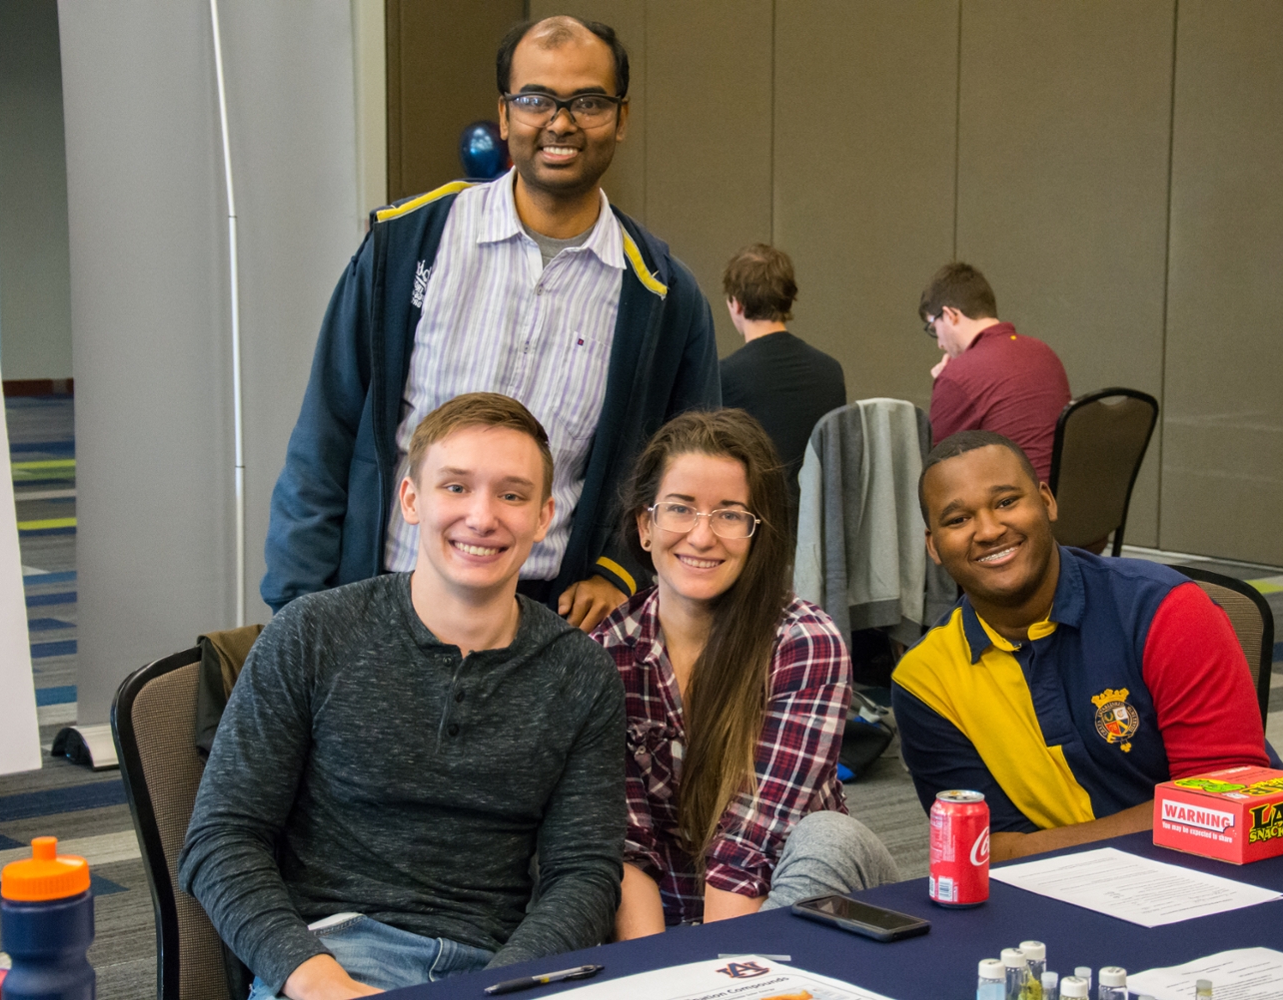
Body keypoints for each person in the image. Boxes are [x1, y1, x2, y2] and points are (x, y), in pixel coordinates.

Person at [261, 15, 720, 631]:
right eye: (536, 100)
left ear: (622, 117)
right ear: (505, 116)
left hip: (545, 622)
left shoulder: (663, 296)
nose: (560, 123)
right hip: (381, 603)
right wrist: (296, 611)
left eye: (587, 101)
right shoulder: (407, 245)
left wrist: (620, 569)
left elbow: (689, 471)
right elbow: (326, 432)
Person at [180, 394, 626, 999]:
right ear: (411, 500)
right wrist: (319, 984)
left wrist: (503, 987)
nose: (482, 516)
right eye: (456, 488)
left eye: (512, 495)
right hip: (339, 957)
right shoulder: (313, 633)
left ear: (544, 517)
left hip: (504, 966)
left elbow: (584, 874)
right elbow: (221, 839)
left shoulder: (582, 673)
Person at [892, 430, 1269, 863]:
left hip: (1240, 875)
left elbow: (1225, 805)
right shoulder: (925, 680)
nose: (989, 530)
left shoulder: (1164, 610)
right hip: (1064, 900)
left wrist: (1031, 848)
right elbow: (983, 852)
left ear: (1046, 502)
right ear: (933, 546)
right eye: (958, 520)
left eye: (1007, 502)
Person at [592, 410, 897, 935]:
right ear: (645, 526)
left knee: (830, 837)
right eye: (680, 509)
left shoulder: (804, 642)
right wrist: (655, 976)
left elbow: (747, 848)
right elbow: (627, 849)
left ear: (758, 532)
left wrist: (718, 976)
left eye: (730, 515)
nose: (703, 536)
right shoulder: (604, 656)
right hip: (663, 926)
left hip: (790, 900)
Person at [717, 244, 846, 521]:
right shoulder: (831, 371)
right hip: (818, 529)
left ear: (736, 303)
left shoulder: (724, 376)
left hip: (755, 528)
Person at [920, 263, 1070, 482]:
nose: (940, 345)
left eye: (934, 328)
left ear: (950, 315)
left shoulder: (958, 375)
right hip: (1056, 505)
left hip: (1008, 507)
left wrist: (947, 381)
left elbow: (937, 473)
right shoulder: (1045, 353)